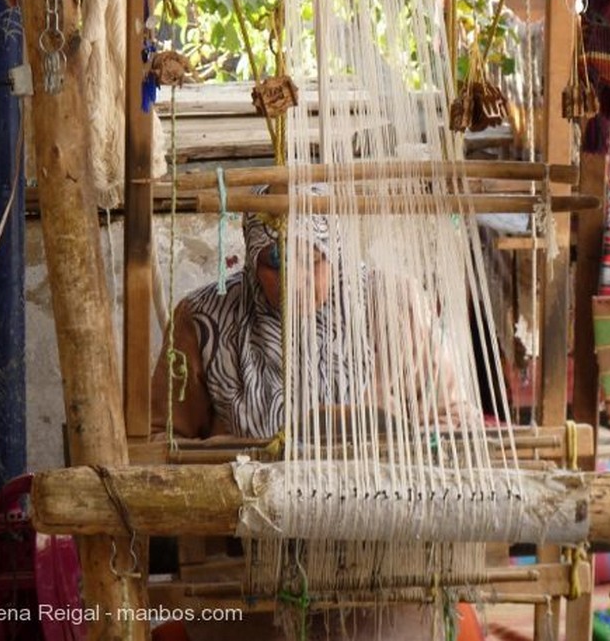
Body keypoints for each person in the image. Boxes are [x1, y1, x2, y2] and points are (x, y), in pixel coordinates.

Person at [149, 205, 485, 641]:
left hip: (383, 568)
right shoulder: (201, 320)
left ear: (338, 250)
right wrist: (240, 474)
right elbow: (163, 441)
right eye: (276, 261)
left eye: (314, 258)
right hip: (249, 568)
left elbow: (458, 423)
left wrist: (397, 458)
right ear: (252, 257)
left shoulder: (396, 305)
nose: (296, 279)